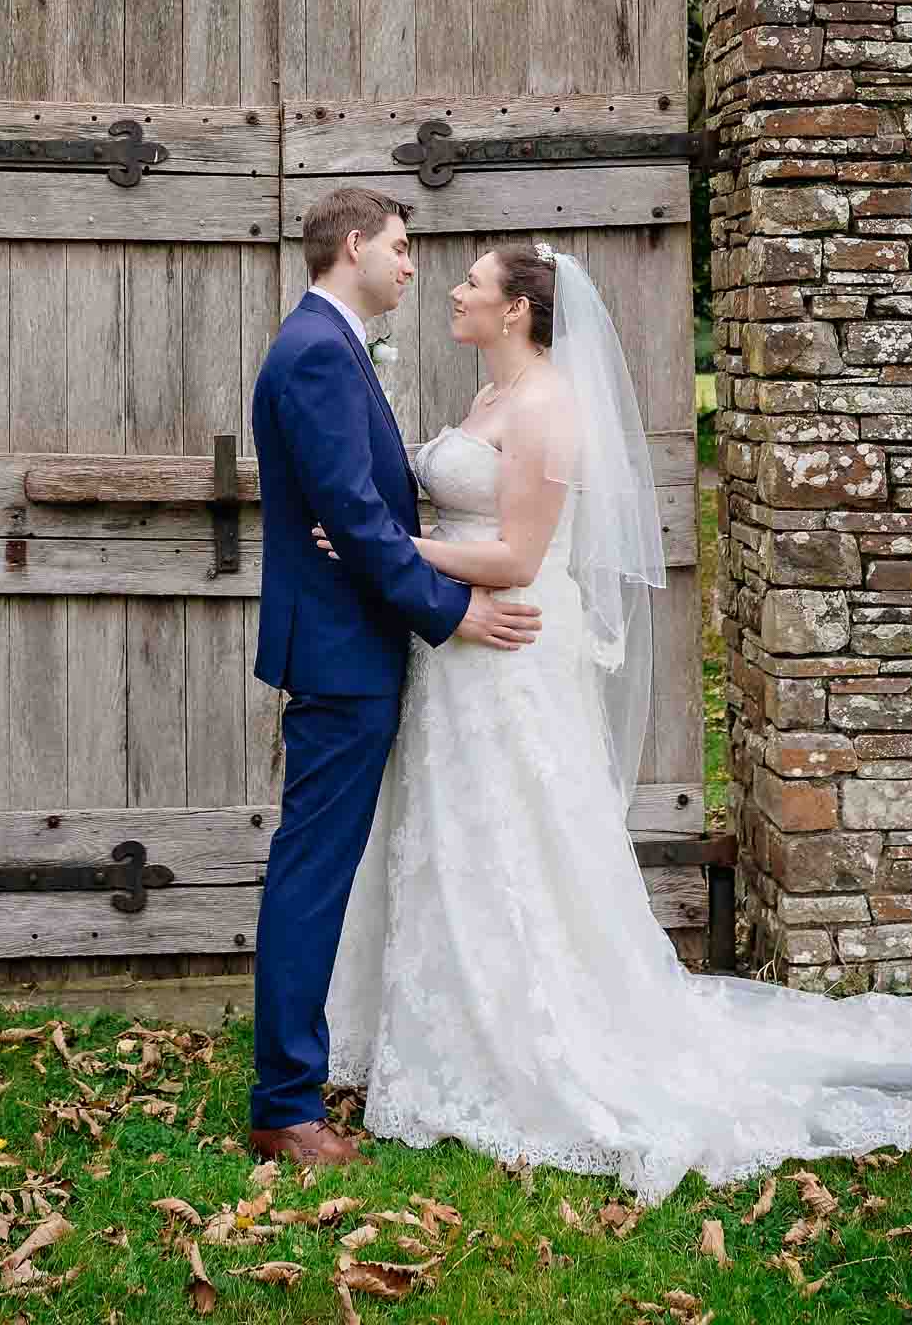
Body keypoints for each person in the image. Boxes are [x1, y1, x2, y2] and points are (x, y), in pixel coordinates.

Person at [321, 240, 912, 1204]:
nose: (453, 290)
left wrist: (385, 544)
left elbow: (520, 558)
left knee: (515, 839)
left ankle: (533, 1034)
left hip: (512, 653)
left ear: (519, 312)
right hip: (457, 656)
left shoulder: (546, 407)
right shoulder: (490, 398)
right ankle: (442, 1023)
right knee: (452, 836)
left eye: (474, 285)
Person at [247, 186, 543, 1168]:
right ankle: (286, 1105)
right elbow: (360, 525)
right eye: (403, 248)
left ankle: (304, 1075)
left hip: (351, 644)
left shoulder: (329, 347)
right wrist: (456, 611)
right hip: (340, 651)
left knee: (323, 865)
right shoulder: (318, 355)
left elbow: (368, 514)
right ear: (355, 244)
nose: (413, 266)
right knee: (311, 870)